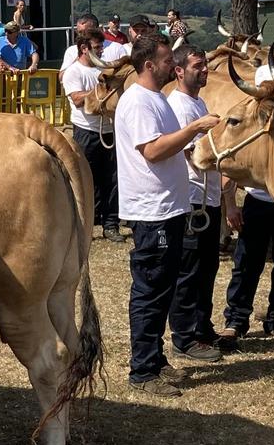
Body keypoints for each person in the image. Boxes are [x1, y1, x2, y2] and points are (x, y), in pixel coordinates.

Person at [114, 31, 220, 398]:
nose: (171, 67)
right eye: (165, 61)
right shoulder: (140, 102)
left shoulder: (155, 99)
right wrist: (193, 129)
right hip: (152, 212)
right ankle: (142, 370)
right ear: (148, 65)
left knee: (163, 288)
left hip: (169, 208)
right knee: (150, 290)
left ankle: (155, 360)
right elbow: (154, 151)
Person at [222, 46, 274, 346]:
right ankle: (236, 320)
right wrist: (231, 203)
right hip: (258, 200)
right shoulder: (245, 119)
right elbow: (230, 160)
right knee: (247, 262)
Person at [166, 45, 224, 361]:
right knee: (189, 272)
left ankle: (202, 328)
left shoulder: (198, 103)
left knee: (207, 268)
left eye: (205, 65)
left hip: (208, 198)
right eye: (197, 65)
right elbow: (194, 155)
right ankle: (184, 337)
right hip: (192, 200)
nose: (204, 70)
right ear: (179, 71)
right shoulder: (180, 107)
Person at [60, 29, 118, 238]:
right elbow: (76, 99)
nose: (101, 51)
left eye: (101, 47)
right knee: (85, 177)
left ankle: (111, 224)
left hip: (109, 129)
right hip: (86, 130)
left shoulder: (105, 69)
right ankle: (86, 223)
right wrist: (101, 92)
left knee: (112, 179)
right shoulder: (74, 72)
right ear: (84, 49)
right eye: (97, 47)